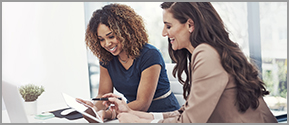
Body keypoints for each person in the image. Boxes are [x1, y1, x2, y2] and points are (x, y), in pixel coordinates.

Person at [101, 2, 278, 123]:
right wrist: (135, 115)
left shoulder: (206, 55)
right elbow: (183, 113)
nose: (164, 33)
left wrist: (139, 122)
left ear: (190, 25)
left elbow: (190, 121)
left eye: (168, 26)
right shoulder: (203, 53)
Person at [76, 3, 180, 122]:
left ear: (125, 32)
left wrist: (109, 113)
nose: (107, 44)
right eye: (101, 39)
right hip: (129, 115)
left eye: (111, 36)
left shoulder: (150, 54)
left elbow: (142, 103)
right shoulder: (106, 58)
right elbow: (103, 94)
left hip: (162, 116)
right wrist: (93, 107)